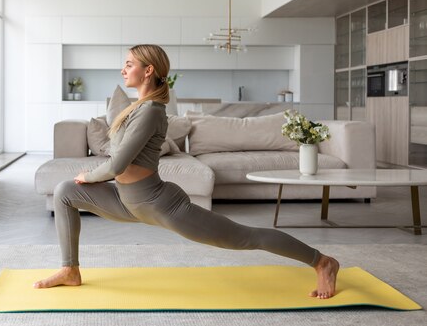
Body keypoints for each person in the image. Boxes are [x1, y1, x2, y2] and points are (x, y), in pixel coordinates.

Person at [34, 44, 339, 299]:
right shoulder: (136, 108)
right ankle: (70, 269)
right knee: (65, 192)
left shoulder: (152, 111)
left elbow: (117, 165)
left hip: (161, 205)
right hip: (126, 200)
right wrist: (87, 177)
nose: (123, 70)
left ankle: (322, 262)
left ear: (149, 70)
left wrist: (89, 175)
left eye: (129, 64)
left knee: (244, 238)